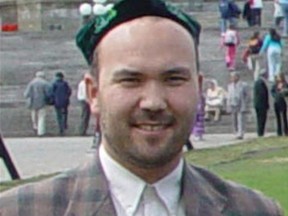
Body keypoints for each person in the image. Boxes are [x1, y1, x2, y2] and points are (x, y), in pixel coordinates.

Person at [0, 0, 283, 215]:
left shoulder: (254, 210)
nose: (153, 102)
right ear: (93, 93)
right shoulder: (21, 210)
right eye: (131, 80)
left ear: (198, 88)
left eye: (173, 79)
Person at [23, 71, 51, 136]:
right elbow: (48, 94)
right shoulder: (45, 83)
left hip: (32, 103)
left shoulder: (31, 83)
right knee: (41, 117)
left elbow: (26, 94)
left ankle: (35, 126)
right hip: (42, 102)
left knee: (34, 116)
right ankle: (41, 131)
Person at [226, 71, 250, 139]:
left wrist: (245, 103)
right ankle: (236, 132)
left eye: (233, 77)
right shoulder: (230, 86)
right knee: (234, 120)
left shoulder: (244, 85)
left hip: (241, 104)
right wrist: (228, 104)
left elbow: (247, 95)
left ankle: (240, 133)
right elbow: (229, 96)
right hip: (233, 104)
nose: (232, 78)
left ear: (237, 77)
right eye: (231, 77)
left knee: (241, 119)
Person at [52, 71, 71, 135]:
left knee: (59, 115)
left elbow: (52, 93)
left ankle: (61, 128)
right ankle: (64, 125)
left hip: (57, 102)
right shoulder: (65, 83)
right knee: (65, 114)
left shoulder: (54, 84)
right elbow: (69, 91)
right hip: (65, 102)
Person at [253, 69, 270, 137]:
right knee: (261, 119)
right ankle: (260, 132)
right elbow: (262, 94)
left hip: (259, 104)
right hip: (261, 105)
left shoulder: (258, 82)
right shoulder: (260, 82)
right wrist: (266, 104)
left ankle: (260, 132)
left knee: (261, 119)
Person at [192, 74, 205, 141]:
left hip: (198, 103)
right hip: (195, 101)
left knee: (199, 119)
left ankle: (199, 134)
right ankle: (196, 133)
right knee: (195, 119)